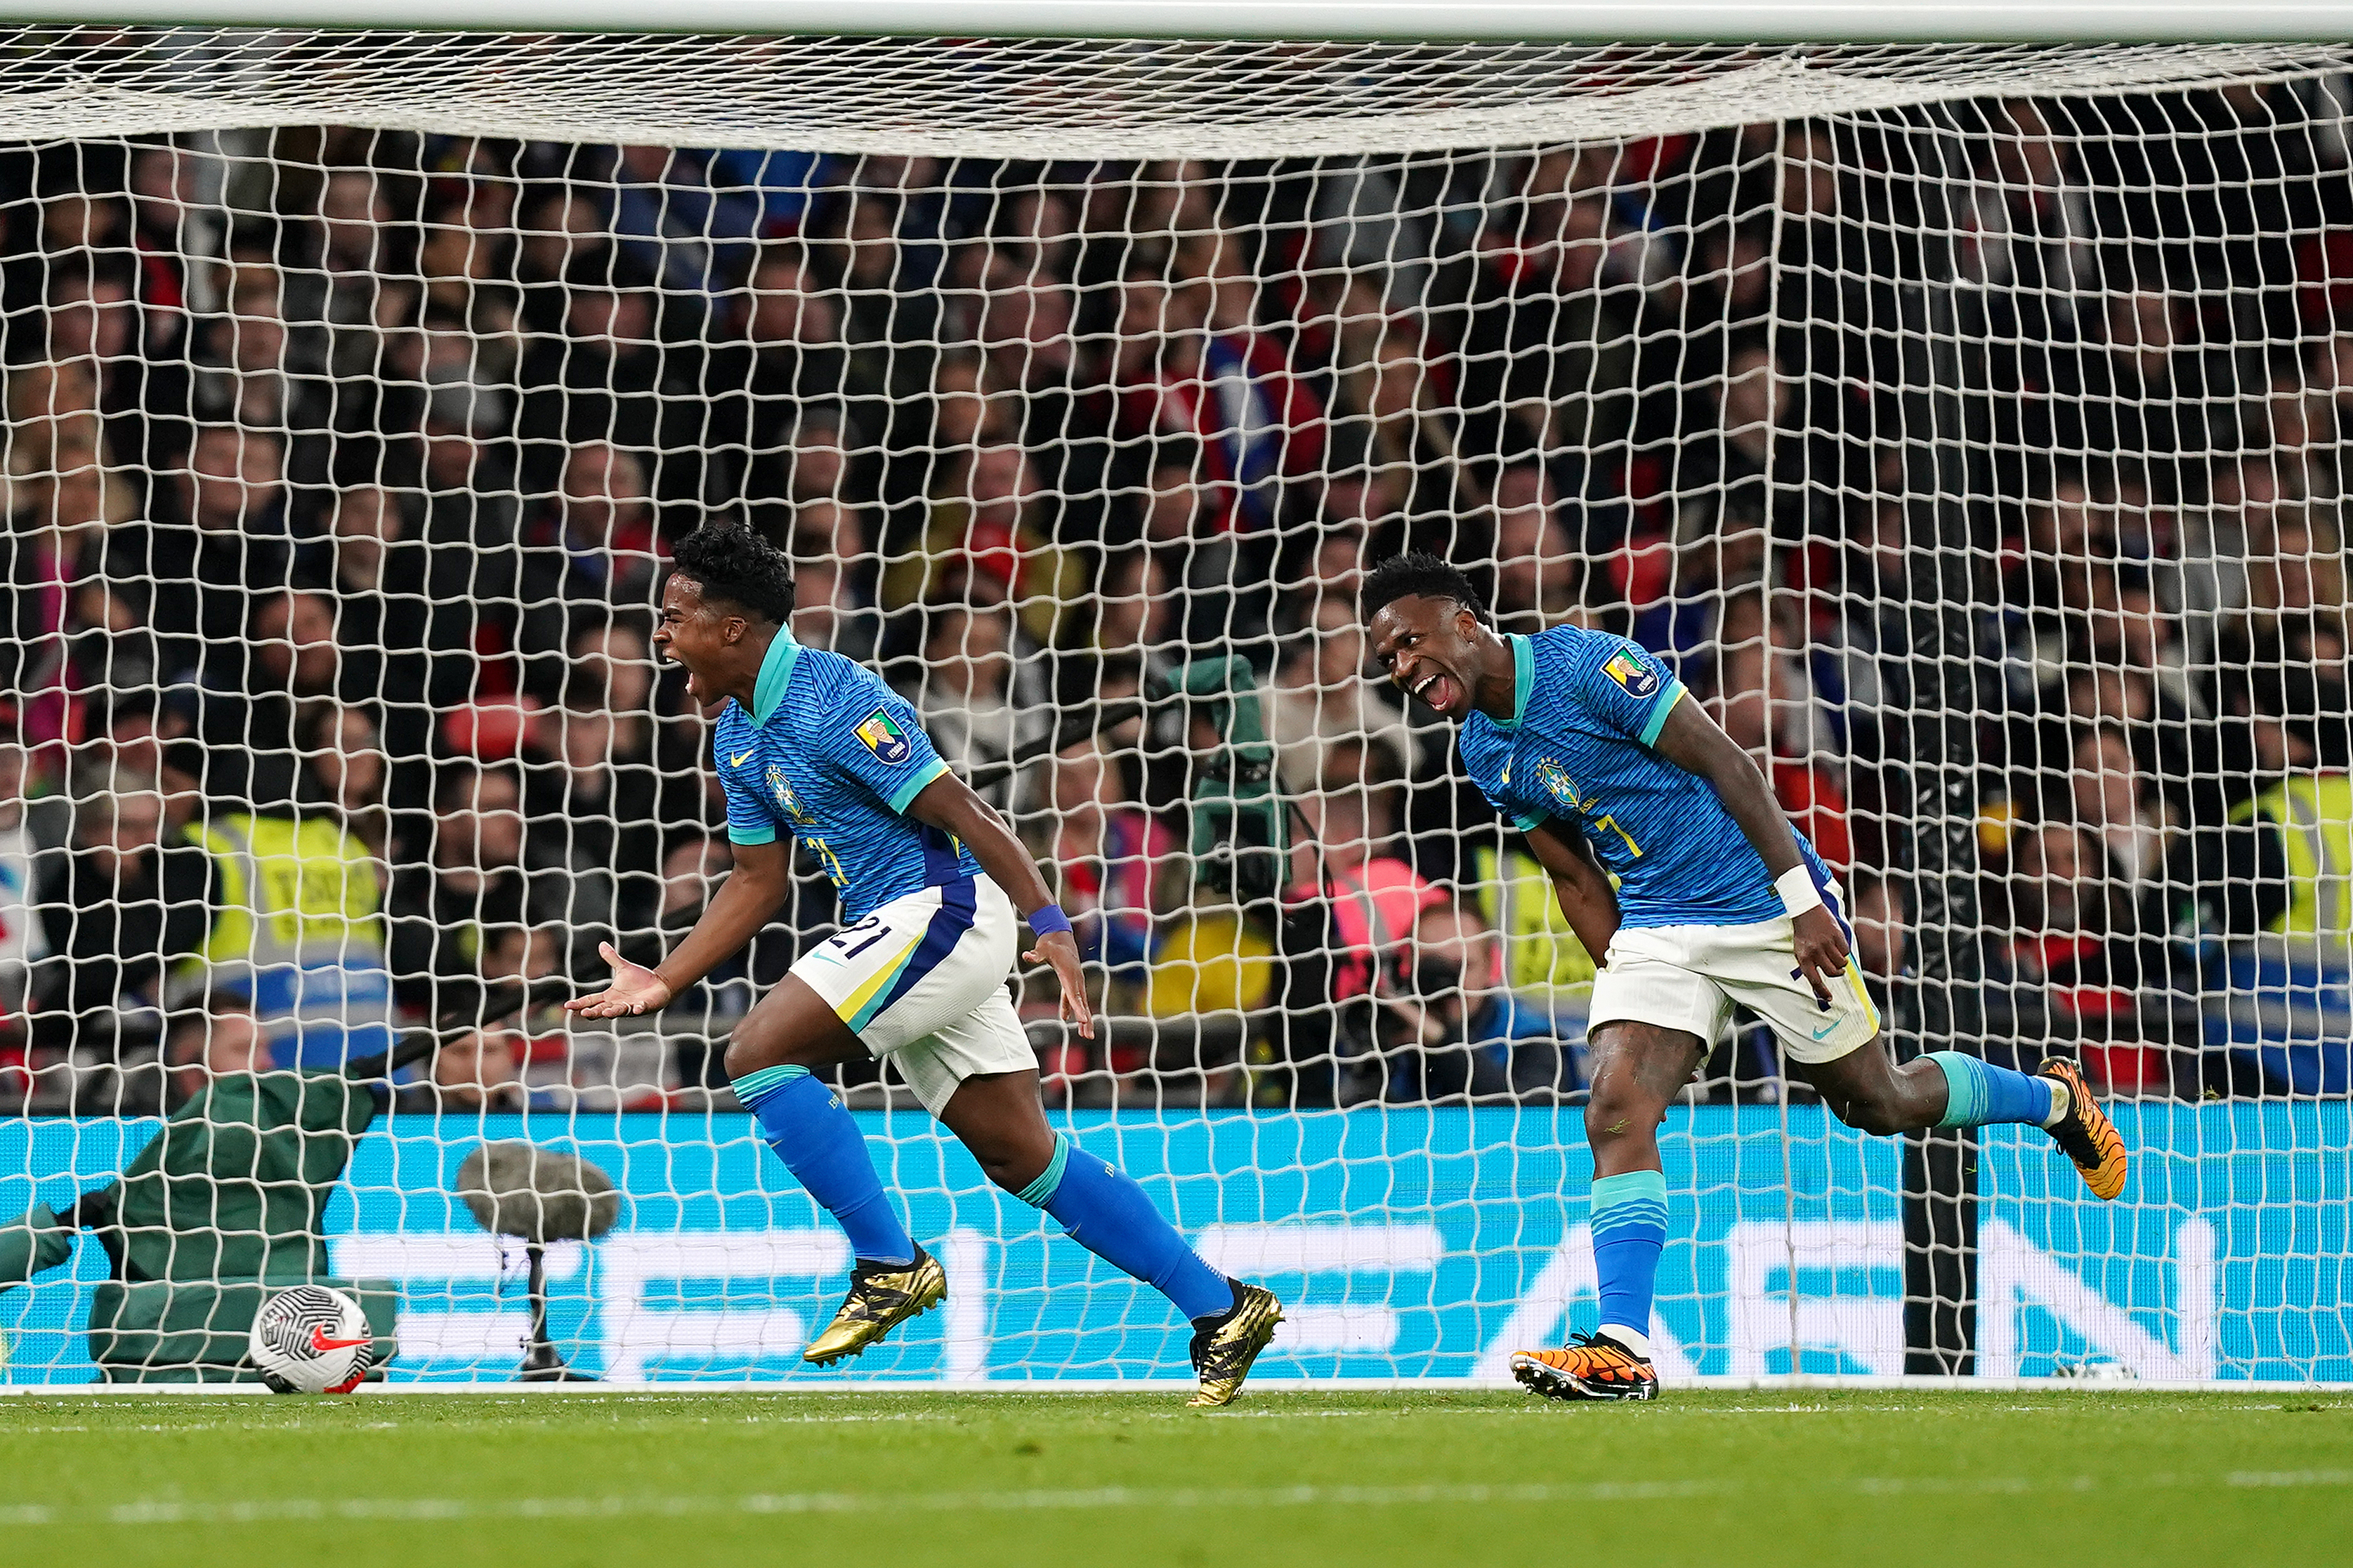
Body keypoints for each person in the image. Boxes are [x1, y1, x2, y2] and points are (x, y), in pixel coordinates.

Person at [1358, 552, 2130, 1403]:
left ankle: (2054, 1100)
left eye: (1406, 643)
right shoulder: (1480, 749)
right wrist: (1626, 979)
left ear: (1464, 623)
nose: (1398, 668)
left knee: (1878, 1100)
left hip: (1760, 904)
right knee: (1614, 1103)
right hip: (1658, 923)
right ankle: (1621, 1346)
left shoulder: (1588, 667)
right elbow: (1573, 875)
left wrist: (1803, 905)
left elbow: (1730, 765)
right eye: (1387, 659)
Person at [566, 520, 1282, 1406]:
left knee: (755, 1052)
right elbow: (757, 882)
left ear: (733, 628)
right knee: (1024, 1158)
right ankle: (1221, 1308)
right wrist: (667, 977)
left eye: (673, 617)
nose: (661, 636)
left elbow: (971, 815)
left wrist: (1049, 921)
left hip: (940, 911)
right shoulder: (737, 735)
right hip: (903, 935)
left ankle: (888, 1262)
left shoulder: (838, 699)